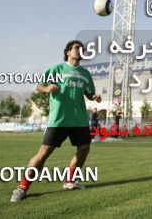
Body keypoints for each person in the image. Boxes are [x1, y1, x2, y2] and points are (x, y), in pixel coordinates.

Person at [10, 40, 102, 202]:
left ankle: (70, 181)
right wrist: (46, 89)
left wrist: (94, 97)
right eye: (76, 48)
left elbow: (89, 93)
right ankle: (22, 187)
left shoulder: (85, 74)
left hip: (79, 119)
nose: (80, 50)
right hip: (58, 119)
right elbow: (39, 86)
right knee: (43, 154)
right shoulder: (56, 69)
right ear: (68, 52)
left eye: (82, 49)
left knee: (84, 149)